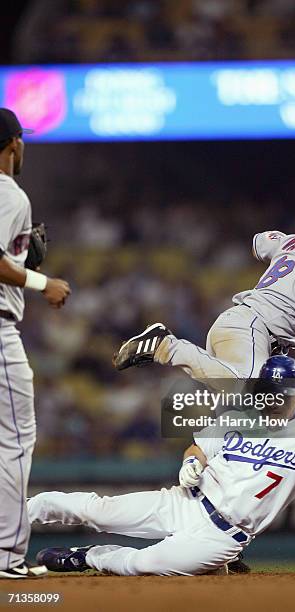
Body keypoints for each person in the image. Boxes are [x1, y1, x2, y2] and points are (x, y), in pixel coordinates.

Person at [29, 356, 295, 576]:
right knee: (98, 510)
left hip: (221, 538)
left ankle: (89, 557)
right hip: (186, 500)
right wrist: (191, 463)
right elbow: (197, 448)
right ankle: (18, 514)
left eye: (279, 394)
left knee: (144, 564)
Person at [113, 215, 295, 386]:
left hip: (238, 330)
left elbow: (259, 242)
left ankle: (203, 470)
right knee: (251, 395)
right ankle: (167, 345)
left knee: (253, 422)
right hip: (252, 333)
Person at [0, 108, 71, 579]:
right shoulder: (9, 194)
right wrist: (41, 280)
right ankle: (7, 557)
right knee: (17, 439)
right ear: (14, 144)